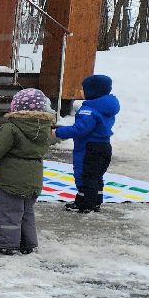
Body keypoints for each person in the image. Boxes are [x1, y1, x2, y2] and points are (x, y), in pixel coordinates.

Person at [0, 87, 55, 255]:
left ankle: (6, 243)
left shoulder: (11, 127)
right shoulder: (45, 127)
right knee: (26, 212)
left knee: (9, 212)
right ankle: (28, 243)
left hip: (11, 177)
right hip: (34, 175)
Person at [54, 73, 119, 213]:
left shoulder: (88, 110)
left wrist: (58, 132)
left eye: (83, 89)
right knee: (96, 175)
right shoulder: (106, 108)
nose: (81, 91)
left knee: (85, 175)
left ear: (93, 91)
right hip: (104, 146)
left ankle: (84, 203)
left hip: (89, 147)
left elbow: (80, 129)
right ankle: (96, 201)